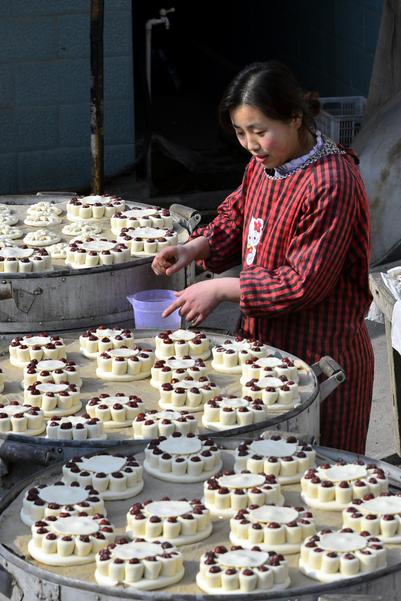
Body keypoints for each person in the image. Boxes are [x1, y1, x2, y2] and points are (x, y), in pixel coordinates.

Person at [151, 61, 374, 454]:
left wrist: (221, 288)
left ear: (295, 118)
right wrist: (193, 248)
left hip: (321, 353)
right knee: (265, 474)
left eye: (259, 131)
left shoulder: (332, 182)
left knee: (325, 471)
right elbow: (237, 215)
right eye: (240, 132)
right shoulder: (264, 165)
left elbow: (303, 283)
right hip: (265, 343)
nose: (251, 144)